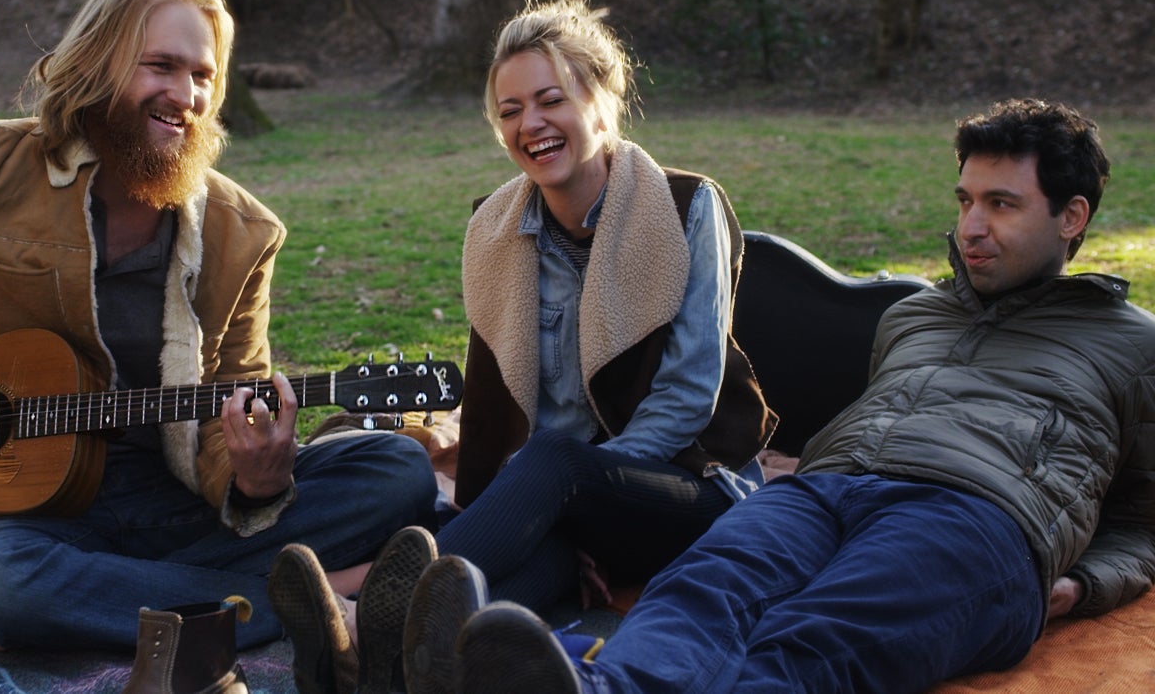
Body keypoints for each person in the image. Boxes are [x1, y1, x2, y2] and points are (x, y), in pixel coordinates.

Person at [401, 98, 1155, 694]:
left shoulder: (1131, 345)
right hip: (823, 493)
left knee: (814, 638)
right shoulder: (915, 315)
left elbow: (1145, 519)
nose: (971, 228)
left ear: (1071, 216)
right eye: (965, 201)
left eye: (1001, 205)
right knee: (701, 589)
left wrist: (1082, 584)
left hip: (976, 516)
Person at [0, 0, 439, 667]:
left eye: (203, 76)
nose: (186, 96)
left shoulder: (242, 233)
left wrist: (256, 480)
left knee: (397, 469)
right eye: (161, 67)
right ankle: (315, 598)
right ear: (99, 62)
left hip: (176, 506)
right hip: (25, 515)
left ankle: (165, 595)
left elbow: (231, 402)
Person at [265, 0, 776, 694]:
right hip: (567, 500)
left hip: (689, 487)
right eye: (510, 111)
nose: (529, 124)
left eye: (550, 100)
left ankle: (358, 614)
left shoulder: (686, 208)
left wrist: (569, 495)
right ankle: (394, 664)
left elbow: (687, 398)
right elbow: (495, 403)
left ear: (602, 102)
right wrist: (539, 511)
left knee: (553, 463)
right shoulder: (497, 231)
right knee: (523, 574)